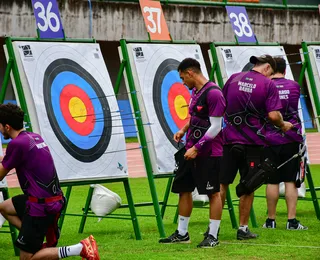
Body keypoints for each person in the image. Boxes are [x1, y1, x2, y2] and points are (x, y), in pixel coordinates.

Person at [0, 103, 100, 260]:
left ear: (6, 126)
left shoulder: (16, 144)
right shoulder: (33, 137)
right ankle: (33, 237)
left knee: (27, 259)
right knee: (5, 207)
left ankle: (79, 248)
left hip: (40, 206)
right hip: (51, 200)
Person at [220, 55, 293, 240]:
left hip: (228, 140)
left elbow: (221, 104)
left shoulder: (234, 77)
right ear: (268, 68)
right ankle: (243, 229)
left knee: (222, 184)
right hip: (252, 143)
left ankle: (214, 228)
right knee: (249, 185)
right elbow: (274, 116)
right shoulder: (268, 85)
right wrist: (283, 125)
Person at [159, 58, 226, 248]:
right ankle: (182, 233)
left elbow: (216, 127)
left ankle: (212, 236)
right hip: (190, 149)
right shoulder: (196, 92)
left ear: (190, 73)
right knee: (183, 189)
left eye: (182, 78)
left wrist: (197, 148)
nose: (182, 83)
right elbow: (195, 117)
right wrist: (182, 129)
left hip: (209, 153)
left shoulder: (214, 94)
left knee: (213, 193)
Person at [262, 56, 308, 230]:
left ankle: (270, 221)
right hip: (291, 138)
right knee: (290, 181)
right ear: (285, 70)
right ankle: (291, 221)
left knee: (272, 181)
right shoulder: (294, 86)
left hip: (270, 139)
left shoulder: (265, 86)